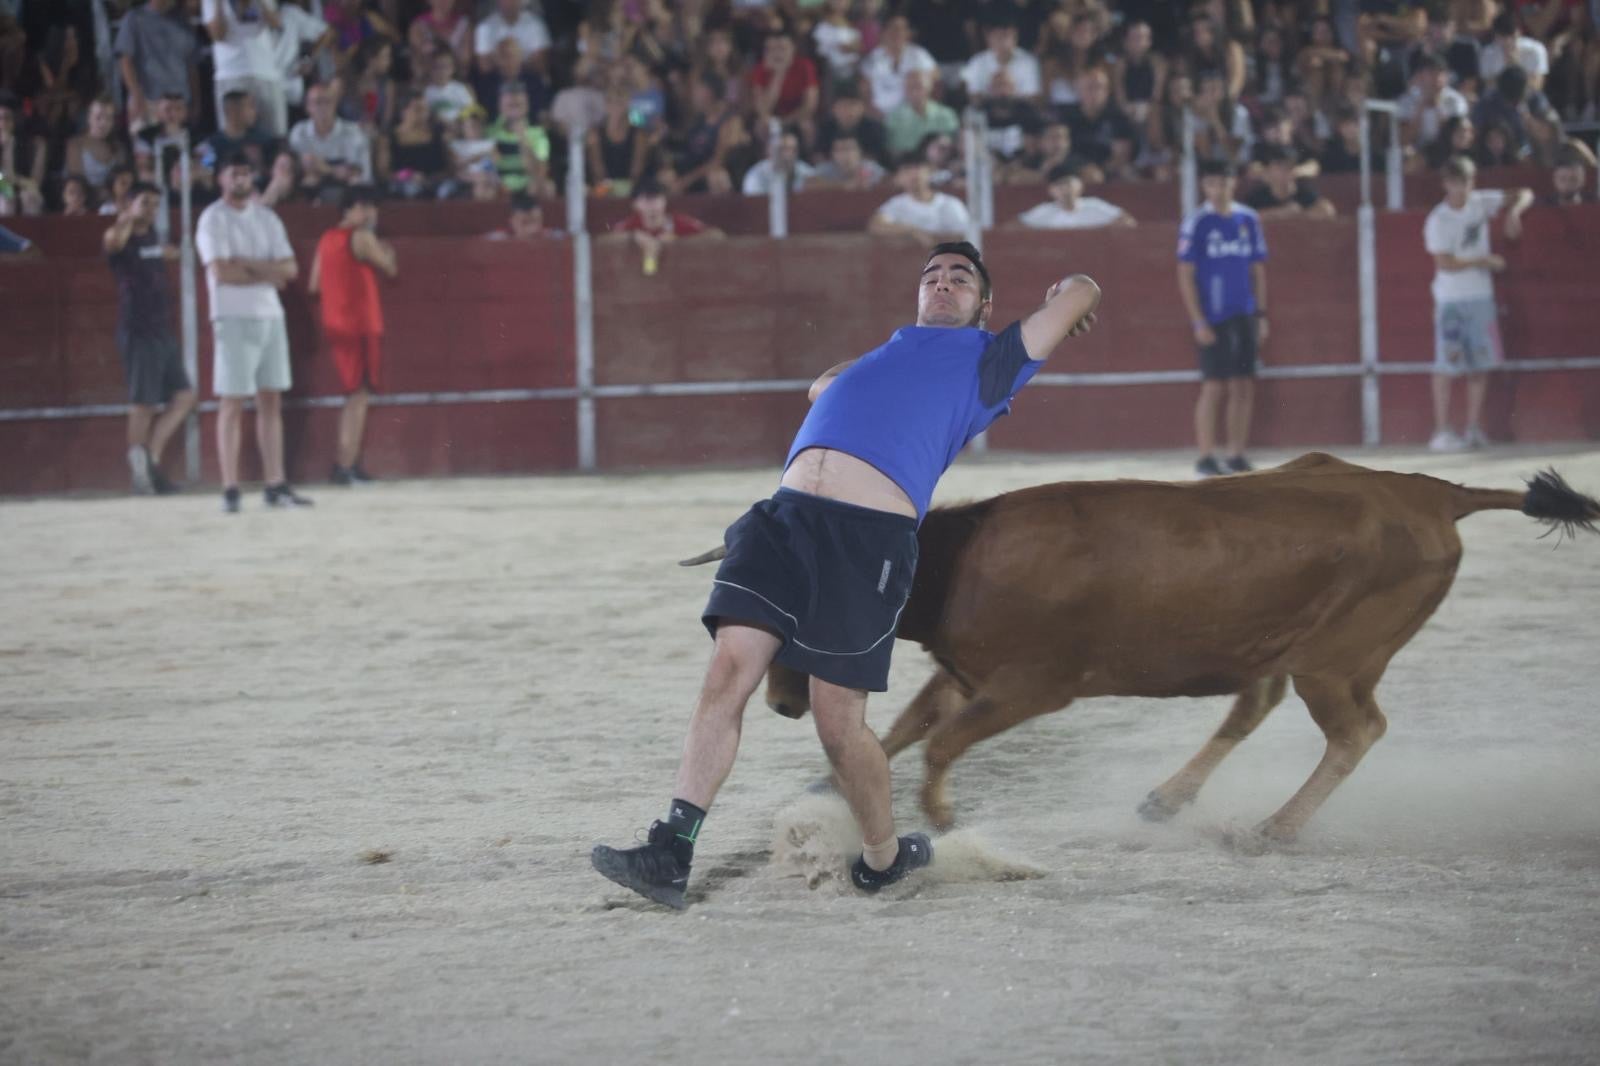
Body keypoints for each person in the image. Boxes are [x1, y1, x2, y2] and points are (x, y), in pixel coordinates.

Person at [590, 244, 1102, 909]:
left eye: (961, 279)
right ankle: (671, 850)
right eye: (933, 277)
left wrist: (1067, 294)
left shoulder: (990, 361)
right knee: (726, 673)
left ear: (985, 305)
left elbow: (1084, 289)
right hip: (783, 520)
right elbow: (822, 389)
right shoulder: (890, 352)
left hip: (868, 542)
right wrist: (885, 362)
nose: (943, 284)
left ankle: (884, 859)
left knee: (838, 724)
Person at [195, 153, 310, 512]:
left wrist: (246, 263)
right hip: (232, 316)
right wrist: (267, 272)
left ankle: (275, 484)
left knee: (270, 399)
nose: (241, 179)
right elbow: (222, 272)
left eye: (245, 173)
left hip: (269, 316)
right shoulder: (213, 218)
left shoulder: (267, 217)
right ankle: (230, 487)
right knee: (232, 401)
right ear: (221, 180)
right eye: (234, 173)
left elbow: (290, 269)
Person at [1423, 156, 1532, 451]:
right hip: (1451, 300)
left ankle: (1472, 428)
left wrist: (1514, 214)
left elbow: (1524, 192)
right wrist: (1483, 260)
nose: (1463, 189)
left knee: (1479, 366)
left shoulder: (1480, 202)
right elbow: (1444, 262)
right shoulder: (1438, 219)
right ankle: (1441, 431)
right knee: (1446, 366)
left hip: (1480, 298)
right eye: (1457, 182)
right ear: (1446, 184)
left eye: (1468, 182)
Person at [104, 180, 196, 493]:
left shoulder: (153, 236)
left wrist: (168, 252)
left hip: (160, 328)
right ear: (128, 204)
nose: (152, 210)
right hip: (139, 328)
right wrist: (126, 217)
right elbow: (114, 243)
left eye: (156, 205)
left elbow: (160, 252)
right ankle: (140, 471)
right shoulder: (119, 233)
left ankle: (151, 461)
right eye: (145, 203)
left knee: (185, 397)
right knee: (142, 403)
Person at [1177, 159, 1267, 478]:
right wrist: (1198, 321)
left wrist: (1261, 313)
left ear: (1233, 184)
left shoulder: (1248, 218)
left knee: (1243, 385)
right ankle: (1206, 456)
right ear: (1204, 186)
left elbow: (1257, 269)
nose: (1217, 190)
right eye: (1211, 184)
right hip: (1213, 315)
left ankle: (1236, 453)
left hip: (1243, 311)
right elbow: (1185, 274)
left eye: (1223, 183)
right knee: (1213, 386)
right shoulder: (1197, 222)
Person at [309, 185, 395, 485]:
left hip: (336, 323)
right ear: (349, 209)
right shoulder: (362, 236)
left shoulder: (326, 239)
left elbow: (314, 286)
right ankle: (346, 464)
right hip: (361, 323)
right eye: (365, 207)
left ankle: (348, 463)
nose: (371, 213)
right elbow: (390, 267)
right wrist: (387, 252)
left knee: (354, 394)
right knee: (359, 395)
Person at [203, 0, 288, 138]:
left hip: (266, 72)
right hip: (231, 73)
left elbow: (277, 24)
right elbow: (217, 35)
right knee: (232, 139)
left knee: (275, 136)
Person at [606, 176, 723, 275]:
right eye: (646, 201)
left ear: (664, 201)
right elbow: (601, 241)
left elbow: (717, 236)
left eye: (655, 199)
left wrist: (678, 241)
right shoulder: (630, 225)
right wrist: (633, 237)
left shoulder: (677, 221)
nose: (652, 207)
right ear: (635, 204)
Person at [114, 0, 199, 133]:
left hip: (180, 106)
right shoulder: (134, 18)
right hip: (149, 104)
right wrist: (136, 96)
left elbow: (192, 65)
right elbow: (125, 60)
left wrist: (196, 101)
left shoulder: (183, 21)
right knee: (146, 150)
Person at [868, 155, 971, 243]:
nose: (914, 174)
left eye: (917, 168)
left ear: (929, 171)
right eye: (907, 170)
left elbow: (966, 235)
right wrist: (912, 231)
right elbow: (876, 226)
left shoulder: (951, 203)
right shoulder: (896, 204)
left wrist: (936, 240)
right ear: (898, 178)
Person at [1014, 162, 1134, 228]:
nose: (1065, 189)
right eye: (1060, 185)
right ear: (1051, 190)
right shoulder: (1043, 211)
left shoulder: (1095, 206)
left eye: (1068, 183)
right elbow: (1013, 228)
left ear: (1080, 186)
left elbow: (1128, 222)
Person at [1243, 145, 1336, 218]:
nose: (1284, 171)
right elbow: (1246, 218)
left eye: (1288, 167)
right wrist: (1282, 212)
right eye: (1279, 166)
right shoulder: (1257, 197)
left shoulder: (1304, 193)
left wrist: (1300, 214)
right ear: (1269, 170)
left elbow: (1327, 211)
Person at [485, 192, 562, 240]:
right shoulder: (498, 239)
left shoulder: (554, 237)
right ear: (512, 222)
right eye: (525, 222)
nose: (533, 229)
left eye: (537, 221)